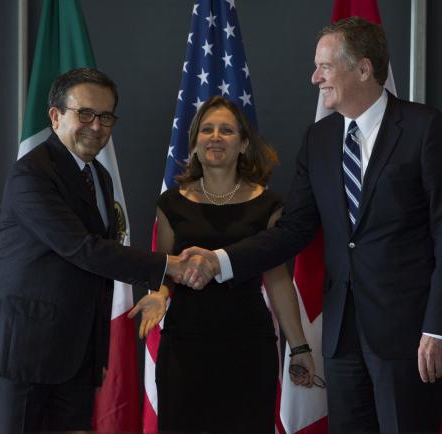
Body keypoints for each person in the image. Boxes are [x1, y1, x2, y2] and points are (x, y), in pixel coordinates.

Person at [180, 18, 442, 434]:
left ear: (364, 69)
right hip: (341, 335)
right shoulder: (318, 139)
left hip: (410, 335)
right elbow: (294, 230)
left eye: (325, 67)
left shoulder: (426, 129)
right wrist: (220, 260)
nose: (315, 77)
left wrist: (439, 327)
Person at [0, 68, 212, 434]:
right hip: (21, 353)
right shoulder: (31, 175)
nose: (96, 126)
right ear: (56, 116)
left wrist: (97, 351)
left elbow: (95, 274)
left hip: (77, 357)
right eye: (84, 114)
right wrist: (170, 267)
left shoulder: (99, 176)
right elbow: (82, 249)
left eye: (106, 117)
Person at [128, 95, 316, 433]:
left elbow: (277, 280)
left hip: (248, 347)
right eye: (207, 129)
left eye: (226, 130)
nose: (215, 137)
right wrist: (158, 294)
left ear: (243, 144)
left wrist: (299, 347)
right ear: (195, 144)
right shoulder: (170, 204)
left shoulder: (269, 205)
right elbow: (167, 271)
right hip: (185, 348)